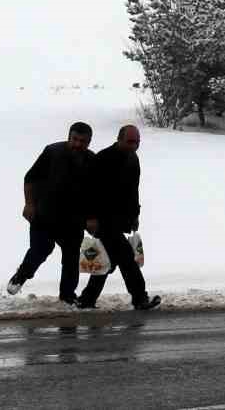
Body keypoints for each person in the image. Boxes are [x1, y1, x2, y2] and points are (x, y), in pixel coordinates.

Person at [6, 122, 96, 305]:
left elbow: (95, 193)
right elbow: (30, 178)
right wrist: (29, 204)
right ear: (68, 137)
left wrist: (92, 217)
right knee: (41, 249)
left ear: (89, 142)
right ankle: (21, 275)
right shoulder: (53, 152)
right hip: (45, 214)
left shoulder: (91, 160)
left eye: (83, 141)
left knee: (71, 257)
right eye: (75, 139)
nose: (78, 144)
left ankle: (68, 295)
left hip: (73, 219)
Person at [78, 124, 161, 310]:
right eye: (130, 141)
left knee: (109, 261)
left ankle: (86, 300)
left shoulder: (133, 159)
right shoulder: (103, 158)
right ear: (119, 139)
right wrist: (90, 218)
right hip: (103, 220)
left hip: (120, 220)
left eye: (137, 142)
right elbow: (88, 191)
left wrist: (135, 215)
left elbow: (133, 191)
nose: (134, 145)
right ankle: (140, 298)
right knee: (126, 259)